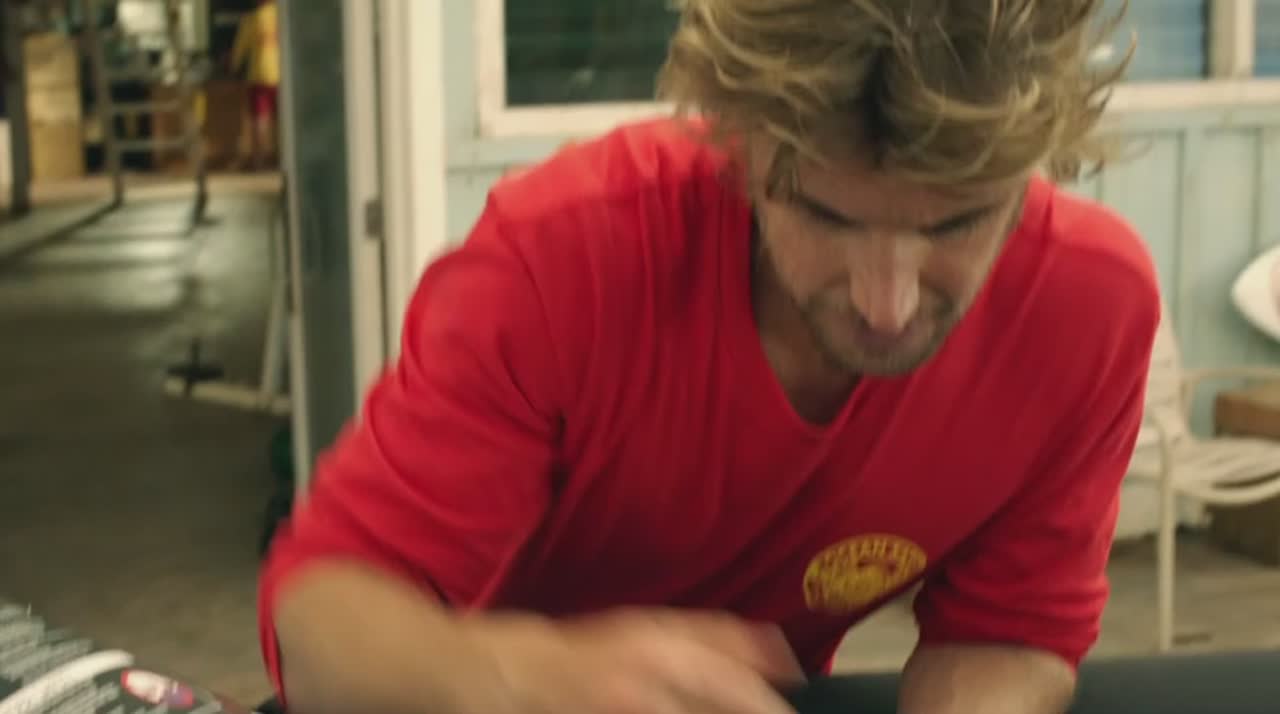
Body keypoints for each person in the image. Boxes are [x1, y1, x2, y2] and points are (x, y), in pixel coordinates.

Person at [259, 1, 1160, 713]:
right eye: (824, 217)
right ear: (735, 136)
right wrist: (528, 680)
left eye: (957, 224)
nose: (886, 304)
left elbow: (1007, 632)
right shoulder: (565, 259)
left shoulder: (1087, 311)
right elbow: (319, 626)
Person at [229, 0, 279, 170]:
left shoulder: (251, 19)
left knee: (260, 118)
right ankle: (280, 157)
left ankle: (261, 159)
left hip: (259, 75)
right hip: (282, 76)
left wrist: (233, 66)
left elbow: (239, 49)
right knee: (282, 119)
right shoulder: (284, 18)